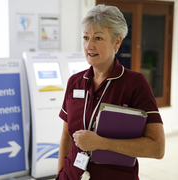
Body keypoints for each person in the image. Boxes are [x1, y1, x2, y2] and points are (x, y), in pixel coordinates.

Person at [56, 4, 165, 180]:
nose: (89, 45)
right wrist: (60, 174)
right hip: (72, 174)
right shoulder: (74, 82)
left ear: (117, 42)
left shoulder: (135, 83)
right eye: (85, 37)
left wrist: (101, 143)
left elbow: (157, 148)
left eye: (98, 38)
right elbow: (66, 137)